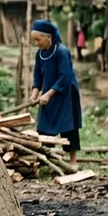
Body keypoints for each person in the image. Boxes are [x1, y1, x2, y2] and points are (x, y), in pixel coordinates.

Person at [30, 20, 82, 169]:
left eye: (38, 40)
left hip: (65, 94)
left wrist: (48, 95)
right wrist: (35, 94)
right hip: (48, 93)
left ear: (49, 37)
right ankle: (44, 161)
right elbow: (37, 77)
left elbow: (64, 77)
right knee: (44, 126)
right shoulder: (40, 54)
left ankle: (73, 162)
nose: (36, 43)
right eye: (34, 40)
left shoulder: (62, 51)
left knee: (68, 127)